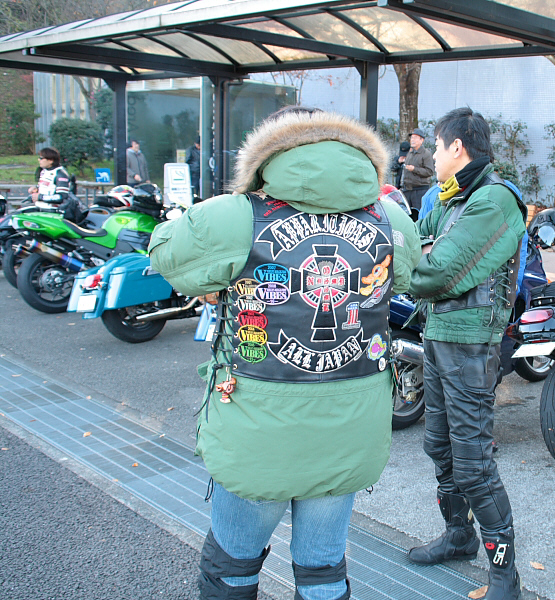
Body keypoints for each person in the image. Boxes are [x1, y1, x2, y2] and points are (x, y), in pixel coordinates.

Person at [148, 106, 420, 600]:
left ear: (268, 150)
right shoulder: (391, 217)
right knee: (323, 567)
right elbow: (407, 275)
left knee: (233, 563)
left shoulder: (234, 215)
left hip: (258, 429)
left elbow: (166, 253)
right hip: (349, 429)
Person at [407, 107, 526, 600]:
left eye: (436, 147)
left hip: (472, 345)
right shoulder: (451, 198)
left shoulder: (494, 200)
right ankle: (459, 537)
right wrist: (427, 251)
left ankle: (505, 575)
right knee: (439, 447)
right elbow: (416, 246)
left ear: (457, 147)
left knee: (474, 463)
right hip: (437, 337)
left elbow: (433, 272)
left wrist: (428, 254)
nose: (431, 156)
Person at [28, 147, 84, 222]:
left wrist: (40, 197)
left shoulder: (60, 174)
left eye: (41, 158)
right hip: (40, 209)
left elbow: (62, 197)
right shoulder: (44, 171)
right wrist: (36, 189)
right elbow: (48, 187)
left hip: (53, 212)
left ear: (50, 160)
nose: (39, 160)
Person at [401, 127, 435, 211]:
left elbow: (430, 171)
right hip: (407, 190)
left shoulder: (426, 154)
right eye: (412, 137)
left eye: (415, 137)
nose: (412, 140)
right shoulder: (410, 153)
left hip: (419, 191)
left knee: (418, 214)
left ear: (421, 140)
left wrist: (414, 169)